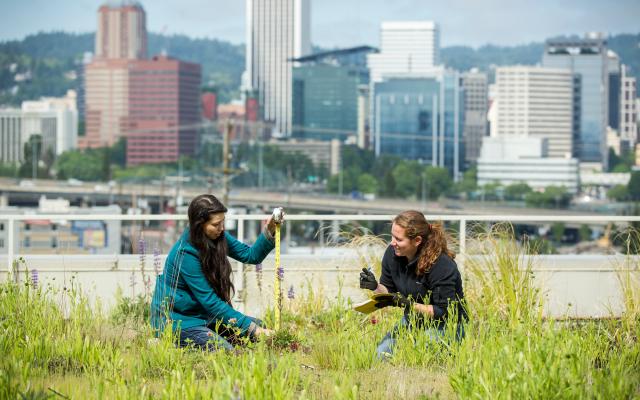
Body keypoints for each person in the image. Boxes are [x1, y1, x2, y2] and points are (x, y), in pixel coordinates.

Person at [151, 194, 283, 351]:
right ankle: (166, 342)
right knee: (225, 351)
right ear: (199, 225)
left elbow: (250, 255)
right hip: (179, 320)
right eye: (216, 224)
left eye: (222, 222)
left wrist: (269, 230)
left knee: (260, 327)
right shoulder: (184, 254)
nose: (221, 228)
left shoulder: (218, 236)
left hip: (204, 316)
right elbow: (210, 302)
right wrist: (254, 330)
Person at [359, 210, 467, 359]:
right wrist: (374, 286)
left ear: (417, 241)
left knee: (424, 348)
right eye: (392, 236)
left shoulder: (441, 265)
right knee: (382, 353)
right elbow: (388, 290)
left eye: (398, 239)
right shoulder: (393, 254)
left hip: (450, 323)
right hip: (415, 318)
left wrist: (408, 304)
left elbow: (443, 311)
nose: (392, 242)